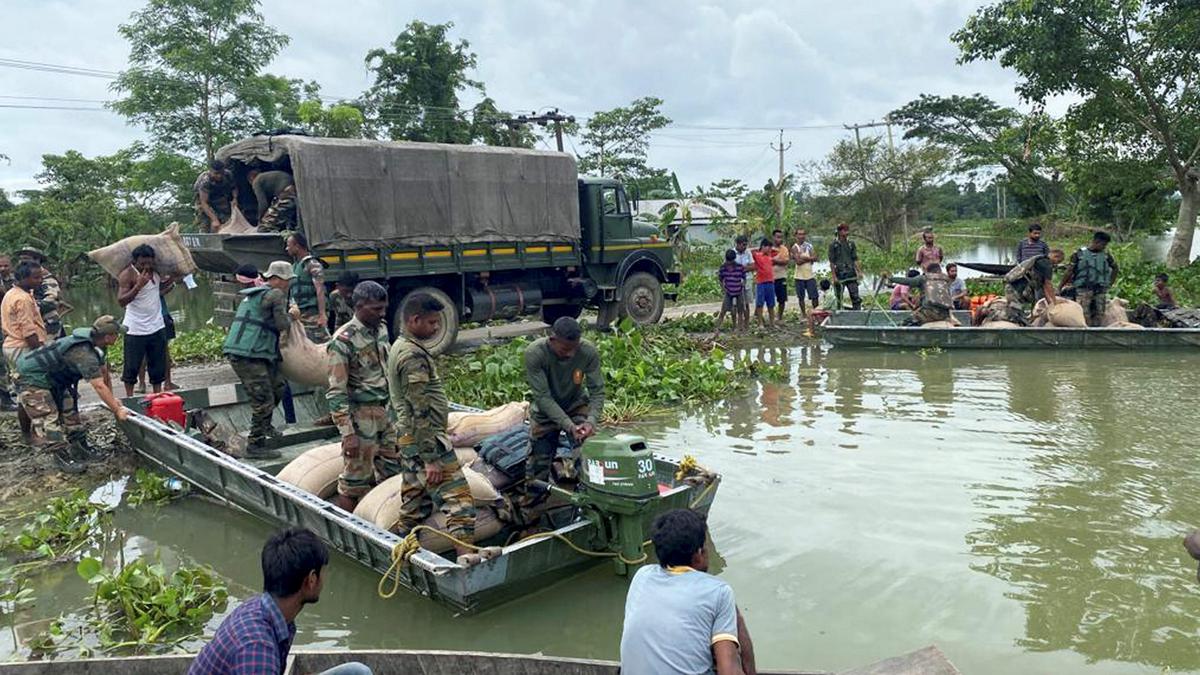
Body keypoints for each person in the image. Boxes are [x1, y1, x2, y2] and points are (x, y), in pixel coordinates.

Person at [189, 527, 372, 675]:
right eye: (324, 572)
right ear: (311, 579)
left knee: (357, 672)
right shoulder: (257, 651)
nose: (325, 579)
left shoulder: (264, 609)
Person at [386, 293, 476, 559]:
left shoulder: (401, 346)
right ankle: (468, 568)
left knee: (414, 502)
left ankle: (399, 550)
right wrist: (431, 458)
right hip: (426, 440)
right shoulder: (412, 356)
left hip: (408, 437)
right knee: (460, 504)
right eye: (433, 322)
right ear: (414, 320)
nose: (437, 328)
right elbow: (419, 409)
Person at [619, 509, 756, 675]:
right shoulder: (718, 591)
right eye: (705, 546)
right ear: (699, 554)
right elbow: (729, 671)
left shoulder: (642, 575)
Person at [14, 315, 127, 473]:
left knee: (70, 411)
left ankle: (80, 448)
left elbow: (103, 374)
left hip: (54, 378)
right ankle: (61, 456)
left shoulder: (97, 344)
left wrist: (113, 401)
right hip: (32, 377)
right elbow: (99, 386)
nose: (118, 336)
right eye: (117, 334)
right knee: (49, 417)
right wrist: (117, 410)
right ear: (108, 336)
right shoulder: (83, 352)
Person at [327, 282, 400, 513]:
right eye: (376, 309)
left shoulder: (381, 330)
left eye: (384, 308)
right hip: (361, 417)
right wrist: (348, 434)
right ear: (359, 306)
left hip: (385, 413)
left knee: (393, 470)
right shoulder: (343, 341)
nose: (382, 314)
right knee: (354, 480)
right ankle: (348, 527)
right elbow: (336, 392)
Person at [522, 317, 604, 493]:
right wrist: (568, 425)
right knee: (537, 473)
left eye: (574, 349)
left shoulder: (587, 352)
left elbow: (597, 391)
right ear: (552, 340)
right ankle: (531, 514)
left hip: (576, 407)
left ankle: (588, 503)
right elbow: (543, 397)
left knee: (589, 459)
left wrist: (591, 421)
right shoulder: (535, 353)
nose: (571, 354)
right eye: (566, 349)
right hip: (545, 413)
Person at [223, 261, 294, 459]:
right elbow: (282, 324)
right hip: (248, 355)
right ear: (278, 280)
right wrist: (292, 316)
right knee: (263, 399)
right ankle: (255, 445)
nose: (289, 285)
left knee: (279, 386)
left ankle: (265, 425)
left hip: (257, 352)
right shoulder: (276, 294)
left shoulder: (258, 293)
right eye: (288, 281)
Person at [286, 232, 331, 425]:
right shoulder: (296, 266)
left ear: (298, 246)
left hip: (313, 316)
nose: (287, 249)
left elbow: (320, 290)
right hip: (302, 316)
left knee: (325, 363)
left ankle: (331, 410)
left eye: (289, 245)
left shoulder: (312, 265)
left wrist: (322, 315)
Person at [117, 244, 174, 397]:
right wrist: (138, 286)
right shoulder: (128, 274)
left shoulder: (155, 273)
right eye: (143, 263)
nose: (146, 266)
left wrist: (173, 280)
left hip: (156, 326)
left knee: (157, 366)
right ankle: (129, 398)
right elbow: (121, 301)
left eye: (149, 263)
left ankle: (157, 396)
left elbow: (156, 291)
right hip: (135, 328)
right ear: (135, 261)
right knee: (132, 367)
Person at [1061, 231, 1119, 327]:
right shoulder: (1079, 254)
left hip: (1100, 289)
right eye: (1103, 244)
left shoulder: (1106, 255)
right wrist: (1060, 286)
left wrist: (1110, 283)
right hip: (1083, 289)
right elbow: (1069, 271)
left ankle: (1097, 334)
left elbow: (1115, 268)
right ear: (1096, 242)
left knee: (1099, 313)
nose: (1104, 247)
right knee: (1083, 313)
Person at [1002, 248, 1065, 325]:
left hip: (1016, 287)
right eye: (1058, 261)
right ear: (1055, 256)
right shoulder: (1046, 264)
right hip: (1014, 288)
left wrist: (1051, 302)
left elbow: (1044, 287)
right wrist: (1054, 302)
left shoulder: (1040, 260)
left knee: (1017, 312)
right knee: (1014, 312)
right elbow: (1047, 285)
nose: (1056, 264)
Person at [17, 248, 65, 339]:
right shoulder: (20, 277)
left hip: (49, 326)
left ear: (37, 260)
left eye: (26, 259)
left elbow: (52, 301)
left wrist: (29, 306)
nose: (22, 262)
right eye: (21, 259)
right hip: (30, 326)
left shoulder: (47, 278)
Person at [887, 263, 954, 325]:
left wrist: (891, 278)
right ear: (940, 271)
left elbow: (908, 281)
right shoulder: (946, 279)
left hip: (929, 312)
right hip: (945, 313)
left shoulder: (924, 278)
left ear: (928, 271)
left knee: (905, 323)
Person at [195, 159, 236, 233]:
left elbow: (234, 188)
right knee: (208, 223)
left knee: (227, 221)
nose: (219, 176)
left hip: (220, 198)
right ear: (210, 171)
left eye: (221, 173)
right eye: (216, 173)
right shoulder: (205, 181)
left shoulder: (228, 174)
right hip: (204, 201)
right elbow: (204, 202)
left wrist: (235, 199)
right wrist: (214, 219)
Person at [828, 223, 862, 310]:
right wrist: (834, 277)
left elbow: (855, 259)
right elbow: (832, 262)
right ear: (839, 232)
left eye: (847, 230)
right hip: (839, 273)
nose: (846, 232)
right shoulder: (833, 245)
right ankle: (839, 313)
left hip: (851, 273)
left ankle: (857, 313)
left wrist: (859, 272)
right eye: (844, 230)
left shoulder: (851, 244)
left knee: (855, 296)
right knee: (839, 296)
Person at [714, 250, 746, 336]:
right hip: (728, 291)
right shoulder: (723, 268)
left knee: (740, 310)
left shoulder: (740, 267)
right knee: (723, 310)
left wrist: (743, 284)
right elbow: (720, 279)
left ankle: (739, 328)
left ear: (734, 259)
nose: (729, 263)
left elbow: (744, 277)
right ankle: (717, 328)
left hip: (739, 291)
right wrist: (723, 288)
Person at [790, 229, 818, 315]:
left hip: (810, 275)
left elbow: (815, 258)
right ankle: (804, 315)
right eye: (799, 234)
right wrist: (809, 259)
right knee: (801, 297)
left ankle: (815, 313)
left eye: (803, 234)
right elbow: (798, 262)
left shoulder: (809, 246)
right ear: (796, 236)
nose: (801, 236)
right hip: (799, 276)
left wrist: (804, 258)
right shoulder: (794, 247)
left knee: (814, 296)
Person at [750, 238, 775, 328]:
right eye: (768, 247)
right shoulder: (757, 255)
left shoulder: (770, 255)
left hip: (770, 282)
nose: (770, 249)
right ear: (763, 247)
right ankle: (760, 323)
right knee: (760, 304)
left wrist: (768, 250)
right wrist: (759, 248)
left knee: (771, 304)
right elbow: (749, 251)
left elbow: (777, 250)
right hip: (761, 283)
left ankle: (772, 323)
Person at [733, 236, 754, 327]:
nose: (745, 247)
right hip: (735, 282)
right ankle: (737, 324)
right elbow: (729, 267)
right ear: (737, 244)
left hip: (747, 281)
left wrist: (740, 269)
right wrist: (745, 268)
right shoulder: (732, 253)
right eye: (743, 245)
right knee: (736, 304)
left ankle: (746, 324)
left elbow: (753, 266)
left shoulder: (748, 252)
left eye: (746, 245)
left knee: (746, 303)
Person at [769, 229, 789, 321]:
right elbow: (765, 262)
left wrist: (773, 260)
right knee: (769, 299)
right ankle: (771, 317)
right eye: (777, 237)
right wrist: (777, 261)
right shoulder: (768, 248)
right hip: (769, 278)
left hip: (781, 277)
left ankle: (779, 317)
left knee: (782, 299)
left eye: (781, 237)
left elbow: (785, 261)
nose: (779, 239)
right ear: (773, 237)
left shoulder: (784, 249)